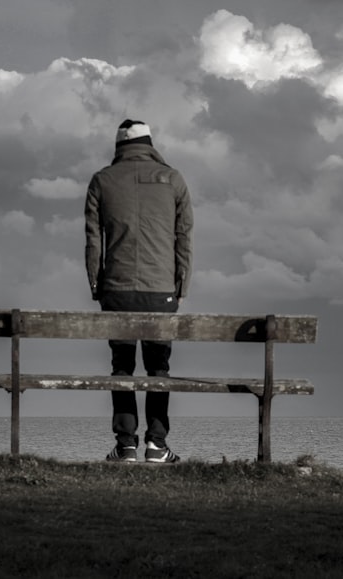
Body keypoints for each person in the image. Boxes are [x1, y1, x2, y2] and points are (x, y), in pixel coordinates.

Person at [85, 119, 194, 463]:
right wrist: (180, 286)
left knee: (122, 366)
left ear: (118, 146)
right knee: (158, 368)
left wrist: (95, 284)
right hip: (161, 290)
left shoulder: (102, 180)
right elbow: (184, 239)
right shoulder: (173, 179)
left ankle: (126, 444)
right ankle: (157, 445)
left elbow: (92, 241)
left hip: (116, 290)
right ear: (150, 142)